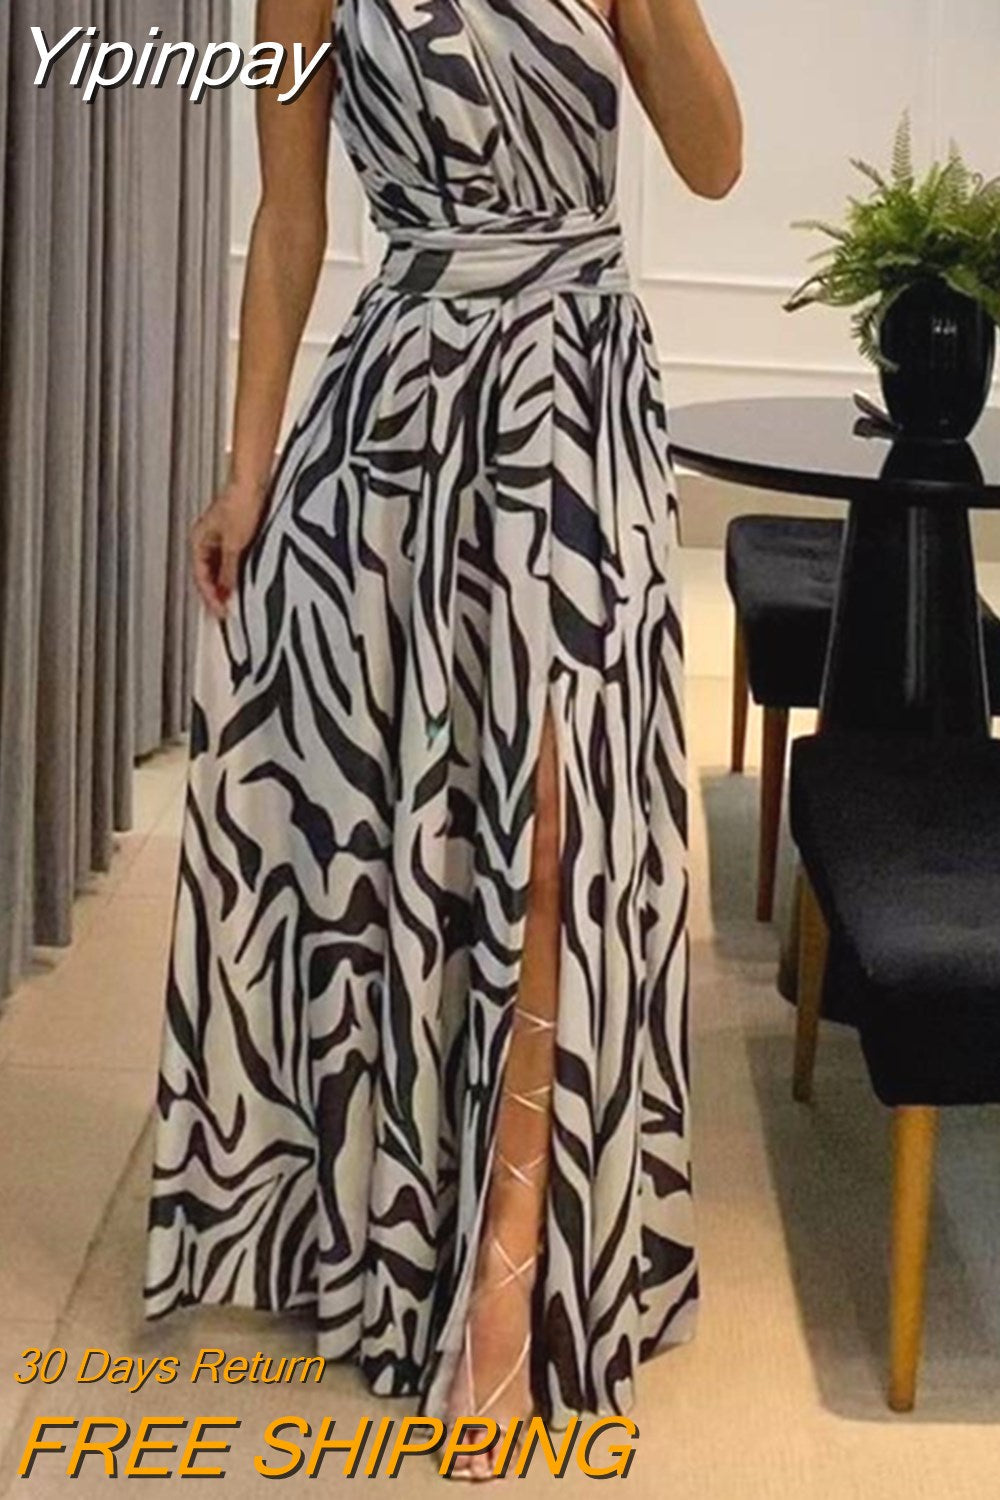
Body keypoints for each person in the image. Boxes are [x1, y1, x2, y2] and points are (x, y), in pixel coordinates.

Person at [144, 0, 741, 1479]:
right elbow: (290, 223)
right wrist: (247, 474)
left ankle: (508, 1267)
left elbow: (716, 161)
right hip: (402, 421)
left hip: (577, 402)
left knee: (558, 829)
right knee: (408, 826)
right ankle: (398, 1210)